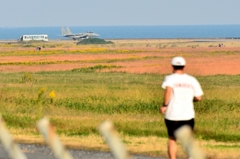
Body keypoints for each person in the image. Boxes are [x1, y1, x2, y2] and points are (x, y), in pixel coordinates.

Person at [160, 56, 203, 159]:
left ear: (172, 66)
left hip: (172, 115)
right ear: (184, 66)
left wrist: (165, 105)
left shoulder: (170, 78)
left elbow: (168, 91)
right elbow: (198, 97)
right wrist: (190, 99)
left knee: (172, 138)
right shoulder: (192, 80)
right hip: (187, 115)